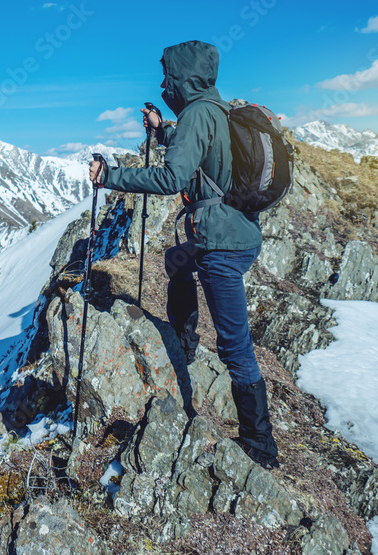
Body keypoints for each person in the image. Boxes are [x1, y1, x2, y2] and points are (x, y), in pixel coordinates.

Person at [88, 40, 279, 469]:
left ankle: (260, 444)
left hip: (221, 247)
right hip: (238, 233)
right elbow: (200, 152)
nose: (162, 83)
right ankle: (185, 342)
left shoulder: (197, 113)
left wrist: (111, 176)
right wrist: (160, 129)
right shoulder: (216, 109)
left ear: (182, 76)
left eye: (166, 75)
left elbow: (174, 175)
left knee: (235, 347)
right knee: (176, 261)